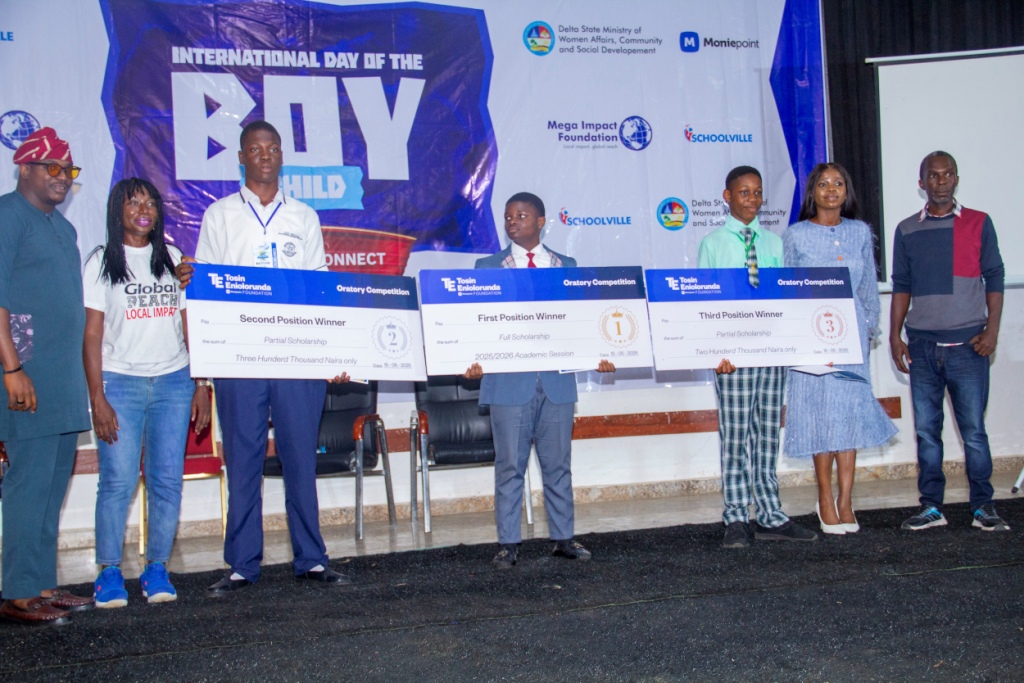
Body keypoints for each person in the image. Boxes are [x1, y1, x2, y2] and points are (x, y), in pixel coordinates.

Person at [175, 120, 351, 594]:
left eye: (272, 147)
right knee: (243, 459)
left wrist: (330, 352)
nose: (265, 155)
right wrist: (204, 372)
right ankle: (241, 564)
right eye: (255, 149)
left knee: (300, 459)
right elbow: (204, 289)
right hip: (240, 357)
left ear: (281, 155)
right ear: (241, 157)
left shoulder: (304, 216)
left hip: (297, 357)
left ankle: (311, 559)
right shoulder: (219, 215)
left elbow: (319, 289)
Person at [464, 192, 614, 568]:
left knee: (558, 465)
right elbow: (474, 323)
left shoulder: (566, 265)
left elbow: (581, 321)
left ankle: (563, 538)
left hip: (556, 384)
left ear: (541, 222)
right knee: (509, 467)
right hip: (507, 385)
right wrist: (471, 360)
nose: (512, 222)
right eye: (508, 217)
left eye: (521, 216)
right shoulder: (487, 267)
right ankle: (508, 543)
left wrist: (600, 353)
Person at [83, 178, 212, 607]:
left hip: (174, 382)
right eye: (134, 202)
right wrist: (97, 397)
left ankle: (157, 567)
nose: (144, 210)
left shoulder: (174, 259)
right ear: (116, 211)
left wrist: (201, 384)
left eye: (151, 203)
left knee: (166, 480)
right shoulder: (100, 261)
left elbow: (189, 326)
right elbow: (92, 334)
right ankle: (108, 571)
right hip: (120, 384)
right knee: (118, 481)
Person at [0, 127, 93, 625]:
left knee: (53, 485)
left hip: (62, 378)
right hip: (27, 375)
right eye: (52, 168)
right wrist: (12, 368)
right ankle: (17, 591)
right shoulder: (7, 216)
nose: (61, 177)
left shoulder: (64, 227)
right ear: (24, 168)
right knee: (28, 483)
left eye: (68, 170)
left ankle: (39, 584)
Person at [698, 166, 817, 548]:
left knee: (767, 433)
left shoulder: (774, 243)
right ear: (727, 197)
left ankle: (770, 513)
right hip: (733, 356)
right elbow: (704, 303)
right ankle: (736, 515)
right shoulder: (713, 243)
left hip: (771, 351)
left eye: (758, 192)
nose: (752, 199)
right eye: (744, 192)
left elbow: (784, 296)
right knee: (735, 436)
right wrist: (717, 351)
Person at [890, 151, 1007, 532]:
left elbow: (994, 276)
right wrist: (894, 336)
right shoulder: (907, 229)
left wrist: (992, 330)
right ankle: (931, 507)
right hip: (922, 348)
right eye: (933, 176)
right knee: (927, 433)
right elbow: (902, 285)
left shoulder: (979, 222)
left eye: (948, 174)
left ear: (956, 179)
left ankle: (983, 507)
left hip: (969, 348)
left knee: (973, 433)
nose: (941, 182)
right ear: (921, 183)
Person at [782, 163, 897, 535]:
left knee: (849, 415)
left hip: (852, 340)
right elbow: (787, 288)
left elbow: (867, 289)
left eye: (838, 183)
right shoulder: (796, 235)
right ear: (812, 192)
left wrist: (869, 328)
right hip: (811, 340)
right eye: (823, 184)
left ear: (847, 191)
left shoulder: (859, 232)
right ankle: (824, 498)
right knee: (821, 416)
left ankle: (846, 499)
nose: (831, 190)